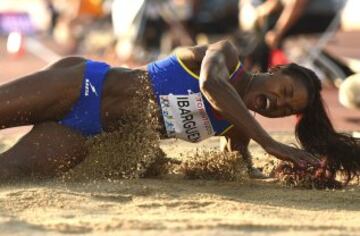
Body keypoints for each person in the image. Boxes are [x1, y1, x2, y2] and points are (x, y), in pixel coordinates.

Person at [0, 40, 358, 182]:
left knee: (9, 173)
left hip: (85, 131)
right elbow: (211, 87)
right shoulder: (227, 58)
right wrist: (273, 144)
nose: (278, 104)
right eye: (285, 92)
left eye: (285, 109)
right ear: (274, 72)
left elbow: (238, 167)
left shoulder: (238, 127)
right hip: (82, 86)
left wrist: (294, 171)